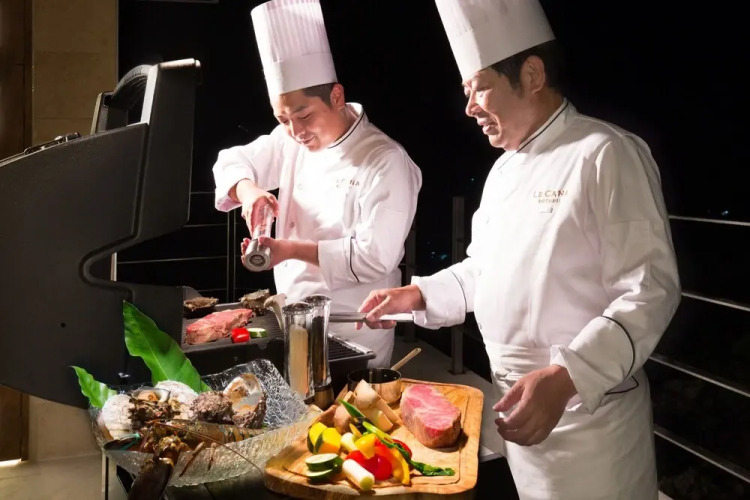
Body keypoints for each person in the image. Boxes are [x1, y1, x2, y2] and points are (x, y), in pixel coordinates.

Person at [357, 0, 681, 497]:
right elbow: (484, 269)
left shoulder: (605, 152)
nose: (469, 107)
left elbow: (649, 290)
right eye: (466, 92)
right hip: (517, 410)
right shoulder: (504, 169)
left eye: (479, 87)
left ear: (531, 75)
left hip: (590, 421)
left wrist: (568, 376)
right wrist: (417, 295)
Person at [212, 0, 422, 369]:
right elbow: (231, 161)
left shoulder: (385, 159)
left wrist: (288, 249)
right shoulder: (289, 140)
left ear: (336, 97)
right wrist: (250, 193)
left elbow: (375, 256)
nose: (295, 131)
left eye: (304, 115)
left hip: (354, 331)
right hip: (291, 321)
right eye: (282, 119)